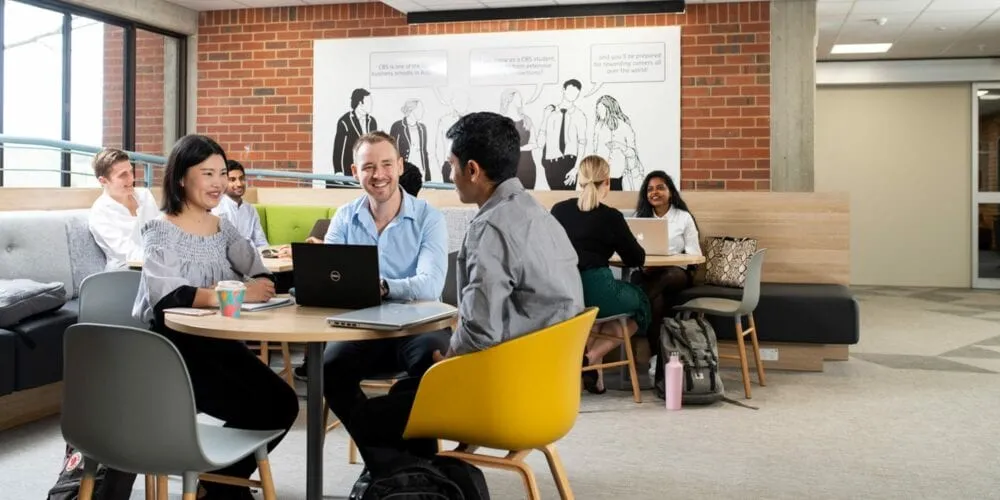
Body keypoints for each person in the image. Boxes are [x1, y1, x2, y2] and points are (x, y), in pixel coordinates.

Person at [343, 112, 585, 471]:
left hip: (508, 395)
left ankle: (412, 485)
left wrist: (450, 361)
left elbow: (479, 332)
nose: (449, 174)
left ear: (472, 170)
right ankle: (420, 483)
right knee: (408, 390)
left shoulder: (490, 228)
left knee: (372, 414)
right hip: (551, 392)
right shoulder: (539, 215)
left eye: (451, 165)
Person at [131, 135, 298, 500]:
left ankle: (218, 483)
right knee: (262, 407)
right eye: (207, 173)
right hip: (173, 351)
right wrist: (232, 293)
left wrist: (262, 283)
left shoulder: (223, 227)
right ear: (180, 178)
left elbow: (258, 270)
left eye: (222, 173)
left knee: (283, 404)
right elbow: (167, 298)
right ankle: (225, 487)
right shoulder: (160, 230)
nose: (219, 183)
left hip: (219, 344)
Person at [319, 131, 450, 433]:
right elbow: (329, 277)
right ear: (355, 172)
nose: (379, 175)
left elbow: (430, 286)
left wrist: (385, 287)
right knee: (328, 368)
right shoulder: (344, 217)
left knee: (433, 368)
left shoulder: (429, 218)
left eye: (387, 165)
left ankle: (406, 462)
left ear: (400, 166)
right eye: (368, 167)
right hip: (360, 328)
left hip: (418, 327)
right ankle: (383, 460)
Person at [551, 155, 650, 394]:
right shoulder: (611, 217)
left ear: (579, 180)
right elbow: (636, 258)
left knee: (604, 318)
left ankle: (595, 375)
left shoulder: (558, 210)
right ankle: (591, 356)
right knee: (640, 305)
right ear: (607, 181)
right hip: (597, 289)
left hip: (564, 292)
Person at [630, 170, 702, 396]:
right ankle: (656, 358)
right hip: (649, 274)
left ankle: (639, 303)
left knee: (667, 277)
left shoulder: (683, 217)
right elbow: (632, 253)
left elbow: (694, 254)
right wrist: (644, 265)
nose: (655, 193)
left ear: (670, 192)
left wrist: (669, 260)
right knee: (656, 301)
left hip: (677, 273)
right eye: (650, 189)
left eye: (660, 187)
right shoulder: (639, 218)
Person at [87, 147, 161, 271]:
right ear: (103, 181)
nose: (131, 178)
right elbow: (126, 253)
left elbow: (159, 234)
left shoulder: (144, 196)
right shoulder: (100, 213)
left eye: (131, 172)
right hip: (125, 271)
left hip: (156, 266)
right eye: (123, 175)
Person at [211, 159, 270, 249]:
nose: (239, 184)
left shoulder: (250, 209)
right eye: (232, 180)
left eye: (241, 178)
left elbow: (261, 242)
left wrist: (271, 254)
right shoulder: (216, 208)